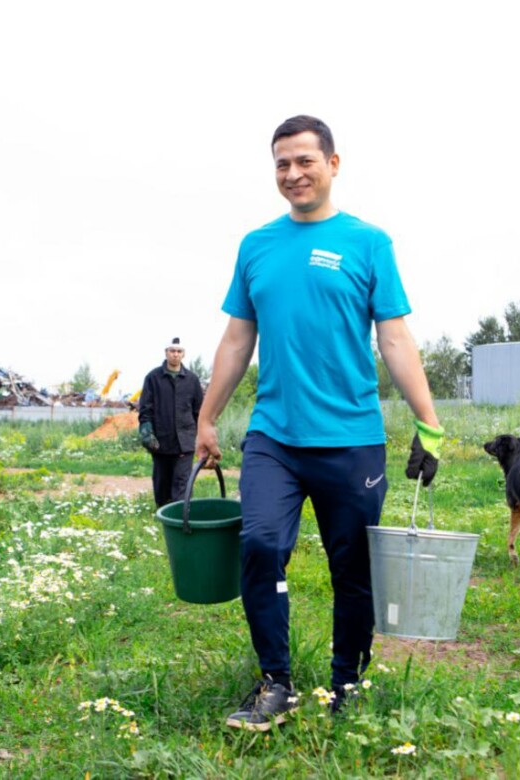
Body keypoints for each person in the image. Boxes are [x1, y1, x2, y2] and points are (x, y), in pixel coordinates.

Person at [194, 115, 444, 732]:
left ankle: (347, 686)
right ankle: (275, 683)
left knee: (352, 572)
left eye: (305, 160)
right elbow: (236, 339)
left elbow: (394, 338)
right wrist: (206, 417)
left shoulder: (368, 243)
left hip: (352, 440)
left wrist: (429, 422)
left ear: (333, 164)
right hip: (273, 437)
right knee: (260, 546)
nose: (293, 173)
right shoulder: (256, 246)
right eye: (282, 163)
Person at [138, 337, 206, 508]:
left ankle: (180, 516)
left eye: (179, 351)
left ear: (183, 354)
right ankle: (163, 513)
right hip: (161, 441)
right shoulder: (153, 378)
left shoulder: (192, 380)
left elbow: (199, 411)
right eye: (172, 351)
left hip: (185, 441)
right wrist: (146, 431)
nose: (176, 354)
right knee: (162, 483)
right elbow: (145, 409)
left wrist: (201, 436)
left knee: (182, 483)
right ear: (166, 353)